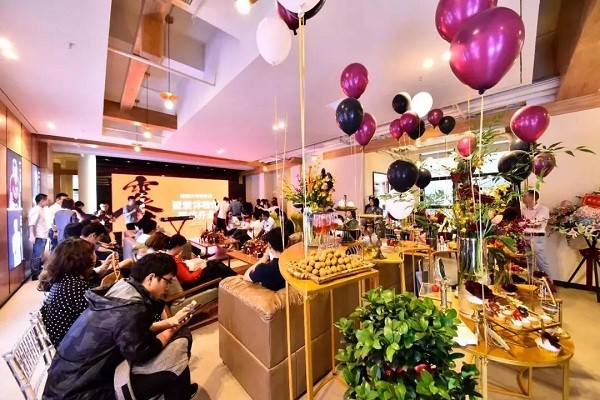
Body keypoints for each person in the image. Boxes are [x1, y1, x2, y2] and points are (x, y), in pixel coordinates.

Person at [42, 253, 198, 400]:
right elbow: (142, 352)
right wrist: (172, 329)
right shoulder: (132, 309)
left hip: (64, 384)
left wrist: (171, 322)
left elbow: (131, 332)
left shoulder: (121, 290)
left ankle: (181, 391)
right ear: (151, 278)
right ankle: (180, 390)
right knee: (177, 350)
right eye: (168, 281)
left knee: (176, 342)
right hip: (85, 392)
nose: (168, 287)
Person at [38, 238, 99, 347]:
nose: (95, 257)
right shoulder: (78, 288)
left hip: (62, 342)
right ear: (84, 260)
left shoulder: (62, 281)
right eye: (92, 253)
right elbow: (98, 319)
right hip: (73, 347)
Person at [165, 234, 236, 289]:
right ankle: (233, 278)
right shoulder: (175, 262)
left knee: (214, 263)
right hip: (190, 284)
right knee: (214, 266)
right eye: (182, 246)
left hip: (189, 277)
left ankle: (233, 277)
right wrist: (200, 269)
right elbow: (189, 278)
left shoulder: (168, 257)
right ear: (177, 246)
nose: (182, 249)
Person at [521, 190, 554, 288]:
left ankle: (549, 285)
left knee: (540, 262)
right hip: (525, 236)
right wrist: (526, 223)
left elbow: (537, 224)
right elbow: (518, 222)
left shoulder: (543, 209)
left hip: (537, 237)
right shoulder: (523, 209)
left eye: (525, 196)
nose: (522, 198)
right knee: (528, 261)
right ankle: (532, 283)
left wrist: (523, 223)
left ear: (532, 197)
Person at [28, 193, 51, 280]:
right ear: (42, 201)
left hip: (43, 235)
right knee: (36, 255)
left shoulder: (41, 209)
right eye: (47, 200)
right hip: (39, 236)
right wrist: (32, 235)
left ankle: (37, 271)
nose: (49, 201)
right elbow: (31, 223)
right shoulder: (36, 210)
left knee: (39, 255)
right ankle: (35, 274)